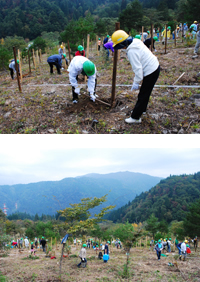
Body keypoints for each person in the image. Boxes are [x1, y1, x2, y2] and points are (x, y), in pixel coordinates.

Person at [111, 29, 160, 124]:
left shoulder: (132, 52)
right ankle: (143, 110)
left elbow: (138, 70)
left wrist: (136, 82)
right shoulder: (135, 41)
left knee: (143, 94)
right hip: (154, 66)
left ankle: (135, 117)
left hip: (151, 71)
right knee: (145, 93)